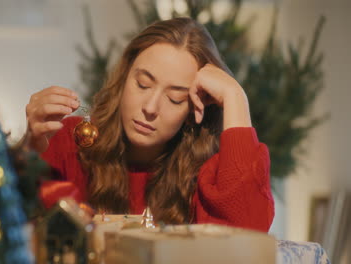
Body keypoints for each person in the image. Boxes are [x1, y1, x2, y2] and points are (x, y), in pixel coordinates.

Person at [25, 17, 274, 232]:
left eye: (175, 98)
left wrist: (235, 96)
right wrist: (31, 147)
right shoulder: (73, 140)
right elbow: (14, 220)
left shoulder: (208, 173)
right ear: (124, 78)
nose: (151, 108)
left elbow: (245, 239)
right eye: (143, 84)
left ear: (193, 110)